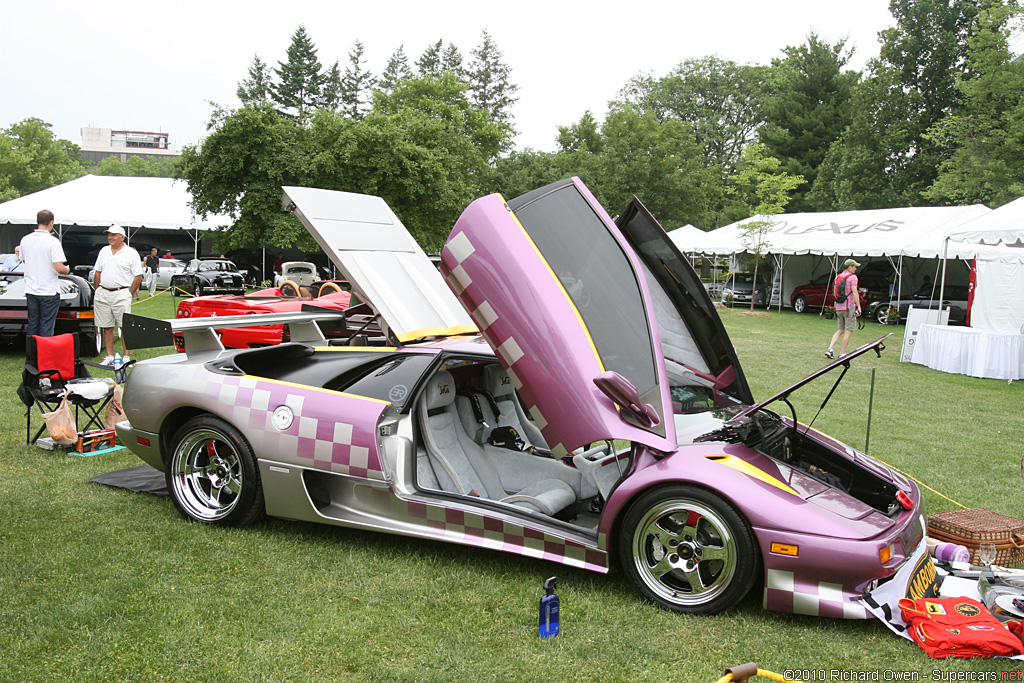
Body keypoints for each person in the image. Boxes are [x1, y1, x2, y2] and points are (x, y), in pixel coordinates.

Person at [93, 225, 143, 364]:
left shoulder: (131, 253)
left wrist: (128, 293)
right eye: (109, 235)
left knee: (125, 326)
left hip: (121, 292)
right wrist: (97, 290)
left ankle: (126, 355)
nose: (110, 237)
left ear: (122, 237)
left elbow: (138, 276)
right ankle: (109, 356)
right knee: (107, 326)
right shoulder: (104, 251)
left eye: (114, 235)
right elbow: (98, 272)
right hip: (104, 292)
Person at [20, 210, 70, 342]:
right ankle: (43, 359)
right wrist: (67, 269)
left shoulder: (25, 240)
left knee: (33, 325)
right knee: (46, 326)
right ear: (51, 223)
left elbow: (24, 259)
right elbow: (59, 268)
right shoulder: (52, 242)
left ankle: (31, 359)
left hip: (31, 289)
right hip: (48, 290)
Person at [826, 259, 862, 360]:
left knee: (840, 329)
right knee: (849, 330)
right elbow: (854, 292)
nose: (856, 268)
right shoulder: (853, 277)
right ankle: (842, 353)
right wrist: (858, 307)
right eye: (854, 266)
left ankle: (830, 349)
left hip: (839, 306)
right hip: (848, 307)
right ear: (850, 267)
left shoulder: (838, 276)